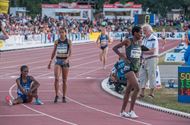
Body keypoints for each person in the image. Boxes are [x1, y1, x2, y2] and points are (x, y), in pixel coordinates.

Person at [113, 26, 142, 118]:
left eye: (142, 33)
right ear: (135, 33)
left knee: (128, 91)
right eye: (140, 33)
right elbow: (115, 48)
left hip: (136, 68)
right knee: (137, 88)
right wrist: (123, 57)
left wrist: (140, 61)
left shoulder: (140, 42)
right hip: (128, 68)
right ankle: (131, 111)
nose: (141, 34)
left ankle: (122, 111)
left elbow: (138, 54)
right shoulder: (128, 41)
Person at [48, 27, 72, 103]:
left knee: (64, 80)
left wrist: (67, 59)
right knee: (56, 79)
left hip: (65, 61)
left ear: (65, 33)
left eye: (62, 32)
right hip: (58, 61)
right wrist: (50, 61)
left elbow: (70, 52)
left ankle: (64, 96)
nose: (61, 34)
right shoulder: (56, 41)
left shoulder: (68, 41)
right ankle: (56, 95)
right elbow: (53, 51)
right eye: (60, 32)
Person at [138, 24, 159, 99]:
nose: (144, 32)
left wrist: (143, 52)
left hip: (152, 58)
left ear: (150, 30)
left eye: (145, 30)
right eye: (143, 30)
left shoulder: (154, 38)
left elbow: (152, 51)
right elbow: (141, 49)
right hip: (144, 59)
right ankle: (142, 93)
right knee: (142, 75)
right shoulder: (143, 39)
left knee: (151, 75)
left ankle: (151, 93)